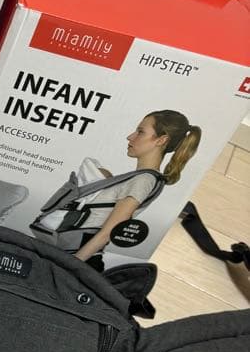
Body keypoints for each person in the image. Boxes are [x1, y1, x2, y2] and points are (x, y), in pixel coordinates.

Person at [74, 109, 201, 269]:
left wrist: (70, 264)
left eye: (140, 132)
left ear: (161, 140)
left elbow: (107, 233)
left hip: (81, 256)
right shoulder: (147, 179)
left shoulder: (143, 180)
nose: (130, 137)